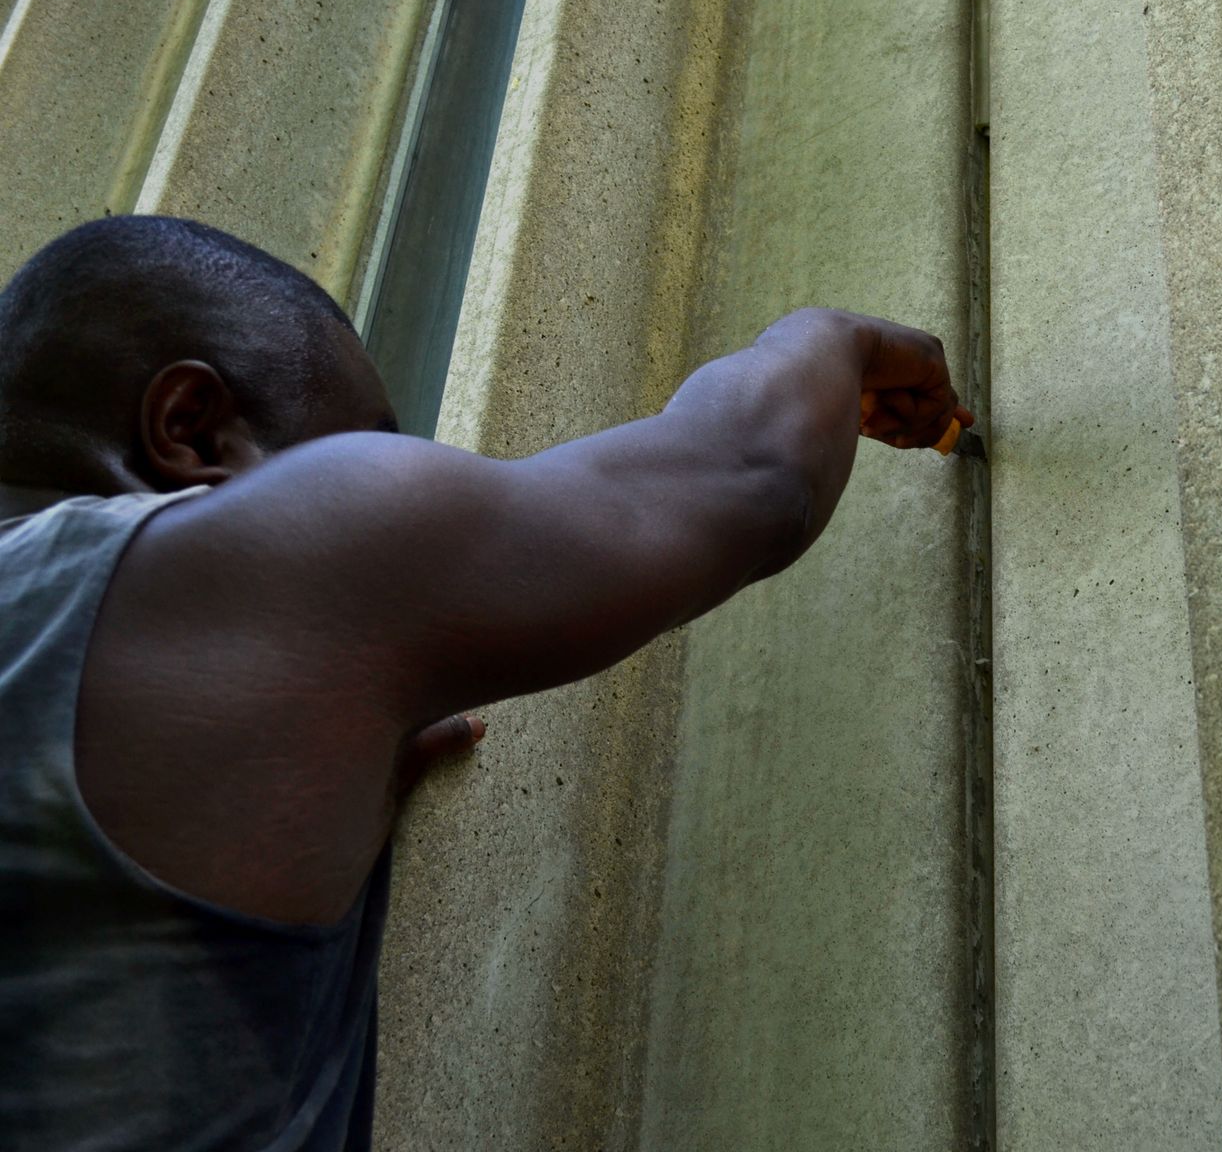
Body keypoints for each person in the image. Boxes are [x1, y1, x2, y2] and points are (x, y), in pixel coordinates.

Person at [0, 215, 972, 1150]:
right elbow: (753, 473)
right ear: (191, 428)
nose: (375, 473)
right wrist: (829, 337)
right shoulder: (269, 565)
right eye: (366, 448)